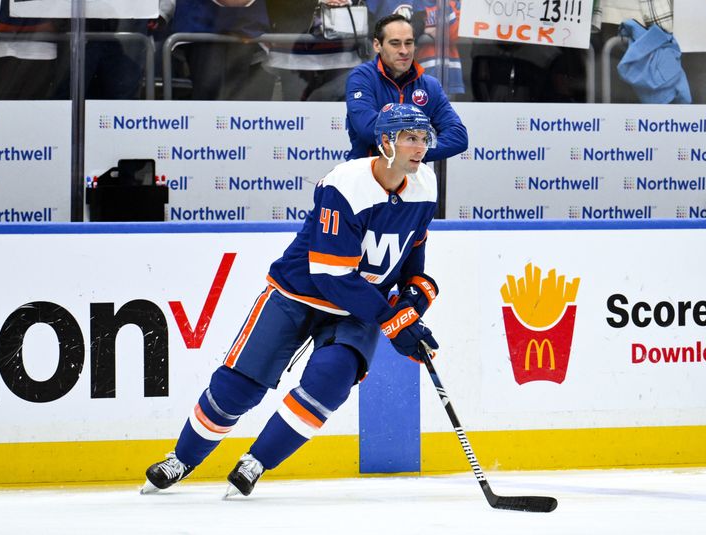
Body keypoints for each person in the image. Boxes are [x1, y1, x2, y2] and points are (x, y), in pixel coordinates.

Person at [141, 103, 441, 498]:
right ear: (385, 141)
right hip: (297, 293)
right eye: (408, 139)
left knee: (331, 379)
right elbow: (331, 276)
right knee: (239, 386)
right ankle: (183, 458)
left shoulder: (426, 184)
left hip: (358, 308)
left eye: (423, 139)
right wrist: (391, 319)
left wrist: (413, 302)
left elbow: (411, 258)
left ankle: (256, 462)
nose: (419, 148)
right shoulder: (346, 185)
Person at [345, 14, 467, 161]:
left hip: (413, 175)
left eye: (408, 43)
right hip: (366, 172)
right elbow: (367, 128)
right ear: (377, 45)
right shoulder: (362, 77)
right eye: (395, 43)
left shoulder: (429, 85)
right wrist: (412, 148)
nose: (404, 51)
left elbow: (458, 136)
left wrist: (417, 152)